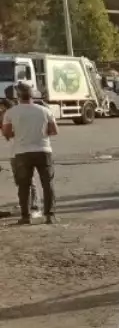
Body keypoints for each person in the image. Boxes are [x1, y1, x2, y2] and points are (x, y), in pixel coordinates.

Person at [1, 80, 57, 224]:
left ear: (18, 96)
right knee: (47, 184)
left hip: (21, 152)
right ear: (32, 95)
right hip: (43, 150)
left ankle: (25, 217)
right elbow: (54, 130)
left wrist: (19, 133)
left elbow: (6, 133)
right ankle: (50, 215)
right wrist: (39, 133)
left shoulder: (10, 112)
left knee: (23, 185)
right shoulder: (44, 110)